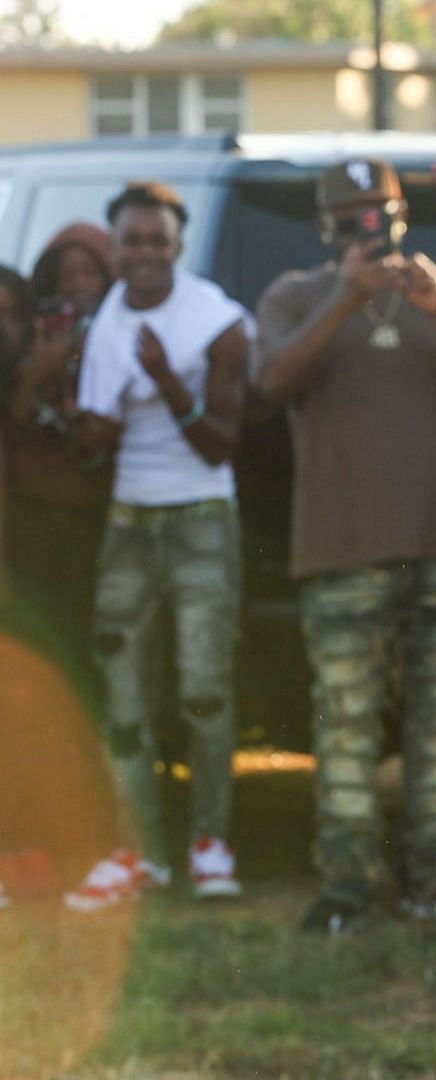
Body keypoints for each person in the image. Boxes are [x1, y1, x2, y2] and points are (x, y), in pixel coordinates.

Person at [254, 158, 436, 935]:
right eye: (357, 214)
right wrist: (346, 298)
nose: (374, 227)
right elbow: (270, 383)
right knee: (345, 722)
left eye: (385, 212)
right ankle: (346, 889)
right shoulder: (295, 294)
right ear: (327, 227)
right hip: (341, 549)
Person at [61, 182, 251, 911]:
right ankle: (138, 851)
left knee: (204, 688)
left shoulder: (217, 323)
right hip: (129, 521)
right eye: (130, 241)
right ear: (115, 247)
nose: (143, 254)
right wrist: (90, 431)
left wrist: (171, 383)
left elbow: (221, 447)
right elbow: (90, 441)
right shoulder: (105, 323)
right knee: (123, 695)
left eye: (157, 241)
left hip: (202, 516)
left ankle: (211, 845)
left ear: (178, 245)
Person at [3, 225, 116, 683]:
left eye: (89, 272)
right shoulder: (22, 345)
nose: (76, 285)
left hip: (96, 516)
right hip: (34, 517)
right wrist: (39, 371)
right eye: (65, 275)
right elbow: (15, 423)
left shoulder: (119, 337)